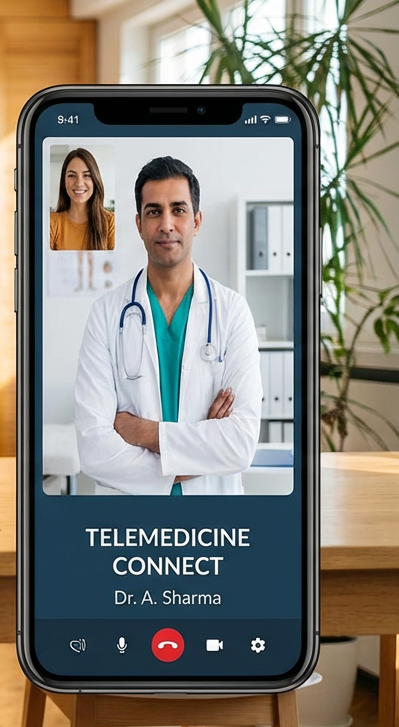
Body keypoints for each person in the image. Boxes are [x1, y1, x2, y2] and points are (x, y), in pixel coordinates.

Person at [72, 156, 261, 495]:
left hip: (212, 523)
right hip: (129, 527)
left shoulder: (232, 312)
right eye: (154, 211)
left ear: (197, 221)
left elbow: (240, 445)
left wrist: (142, 432)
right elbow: (93, 450)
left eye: (179, 209)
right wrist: (200, 448)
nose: (167, 224)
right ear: (139, 223)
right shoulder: (106, 314)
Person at [49, 149, 117, 294]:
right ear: (64, 182)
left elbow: (115, 277)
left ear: (95, 180)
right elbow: (48, 275)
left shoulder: (110, 222)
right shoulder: (52, 223)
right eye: (72, 176)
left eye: (86, 175)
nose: (79, 183)